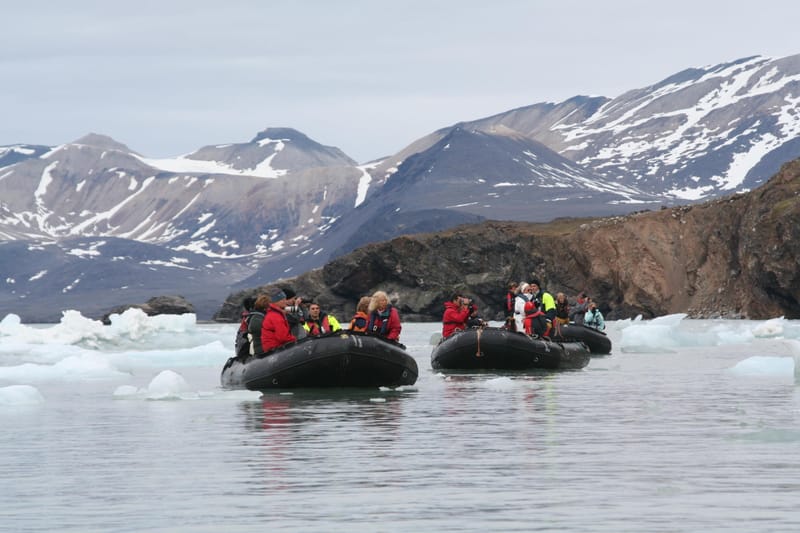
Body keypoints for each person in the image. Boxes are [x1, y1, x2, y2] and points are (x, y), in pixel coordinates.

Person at [261, 286, 297, 352]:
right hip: (274, 349)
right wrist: (296, 340)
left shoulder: (274, 313)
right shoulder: (275, 316)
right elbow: (283, 337)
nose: (285, 302)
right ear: (276, 301)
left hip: (272, 348)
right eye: (282, 300)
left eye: (285, 299)